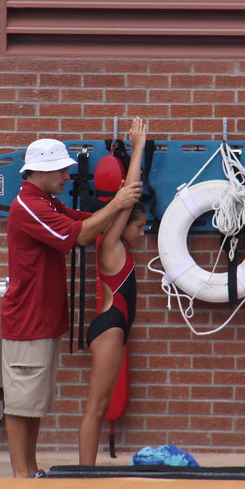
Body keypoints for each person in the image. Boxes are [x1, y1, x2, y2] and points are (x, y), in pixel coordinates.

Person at [1, 133, 143, 478]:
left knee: (33, 404)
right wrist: (117, 202)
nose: (68, 176)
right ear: (43, 171)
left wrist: (121, 202)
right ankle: (22, 476)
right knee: (21, 404)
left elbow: (83, 222)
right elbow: (79, 236)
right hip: (27, 319)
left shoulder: (46, 201)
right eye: (62, 171)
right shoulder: (29, 206)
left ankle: (30, 471)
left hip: (44, 317)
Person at [78, 118, 147, 465]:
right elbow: (129, 195)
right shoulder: (111, 246)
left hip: (114, 330)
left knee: (99, 405)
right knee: (96, 407)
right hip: (108, 329)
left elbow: (130, 200)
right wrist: (137, 150)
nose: (142, 233)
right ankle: (84, 476)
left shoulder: (120, 249)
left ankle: (86, 473)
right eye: (140, 226)